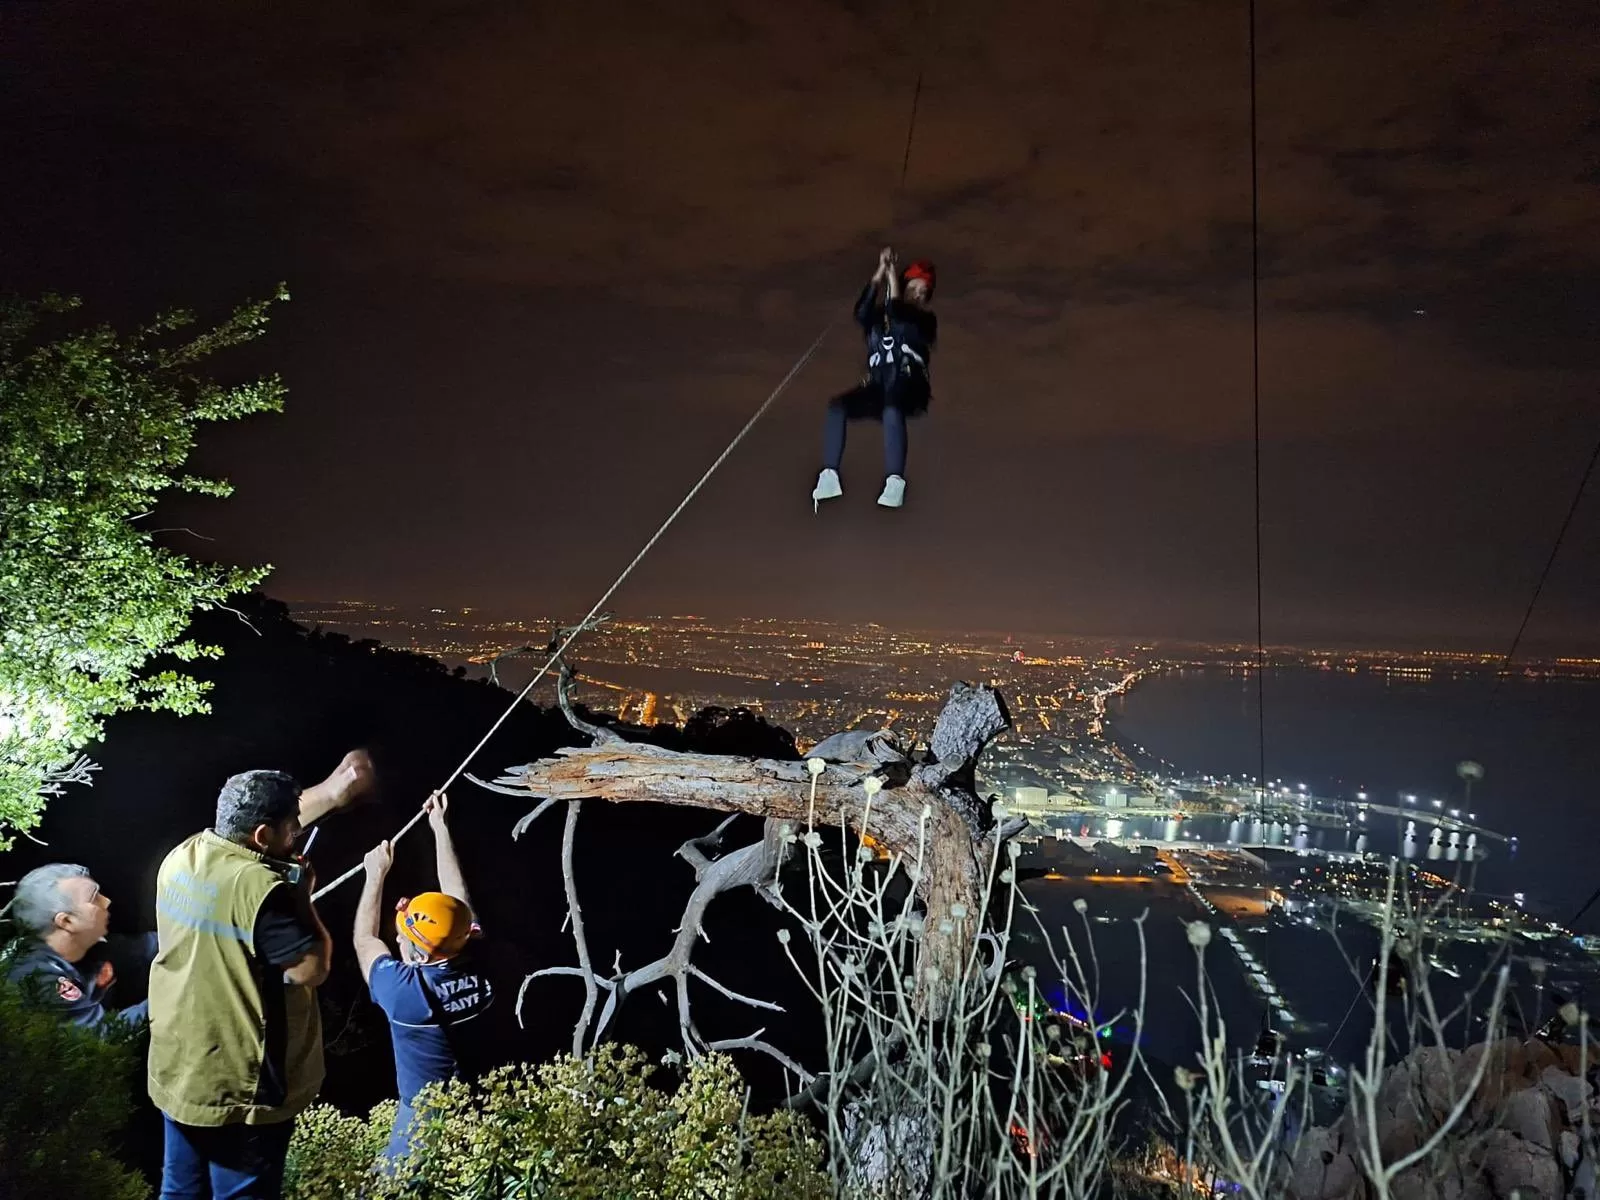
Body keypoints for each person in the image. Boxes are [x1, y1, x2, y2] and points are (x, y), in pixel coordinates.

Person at [148, 750, 373, 1200]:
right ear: (262, 834)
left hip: (182, 1063)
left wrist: (332, 792)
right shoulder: (264, 891)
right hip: (242, 1083)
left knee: (180, 1188)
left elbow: (251, 849)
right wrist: (301, 896)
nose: (298, 831)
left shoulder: (187, 854)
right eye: (292, 825)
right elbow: (312, 968)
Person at [354, 791, 493, 1164]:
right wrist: (439, 827)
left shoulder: (406, 995)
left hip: (423, 1125)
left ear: (418, 952)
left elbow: (365, 940)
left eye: (404, 934)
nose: (398, 935)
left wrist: (374, 876)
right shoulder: (481, 961)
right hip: (482, 1110)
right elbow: (457, 902)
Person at [812, 245, 938, 511]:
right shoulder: (879, 319)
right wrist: (881, 271)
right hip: (880, 385)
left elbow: (897, 315)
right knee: (837, 408)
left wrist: (894, 281)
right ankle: (829, 476)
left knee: (893, 407)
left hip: (909, 386)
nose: (918, 294)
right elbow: (861, 312)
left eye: (923, 292)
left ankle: (895, 480)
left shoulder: (924, 320)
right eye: (914, 287)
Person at [4, 863, 156, 1034]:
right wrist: (171, 998)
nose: (106, 902)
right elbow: (102, 1038)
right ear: (66, 922)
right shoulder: (37, 977)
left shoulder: (87, 947)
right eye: (94, 898)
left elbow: (145, 947)